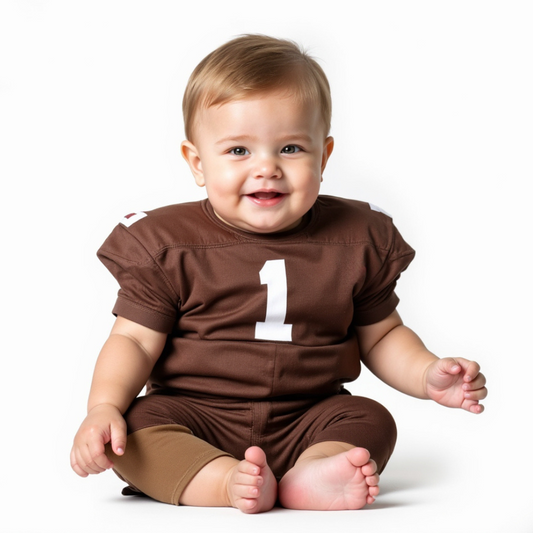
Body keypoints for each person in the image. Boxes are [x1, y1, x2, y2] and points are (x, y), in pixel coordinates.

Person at [70, 34, 487, 514]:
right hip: (195, 414)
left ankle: (315, 470)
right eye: (238, 151)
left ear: (324, 156)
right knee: (137, 427)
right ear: (196, 162)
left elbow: (381, 336)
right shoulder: (168, 245)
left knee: (370, 418)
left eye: (290, 148)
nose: (266, 168)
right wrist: (102, 407)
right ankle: (223, 481)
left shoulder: (356, 239)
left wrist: (426, 373)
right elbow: (136, 342)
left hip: (307, 414)